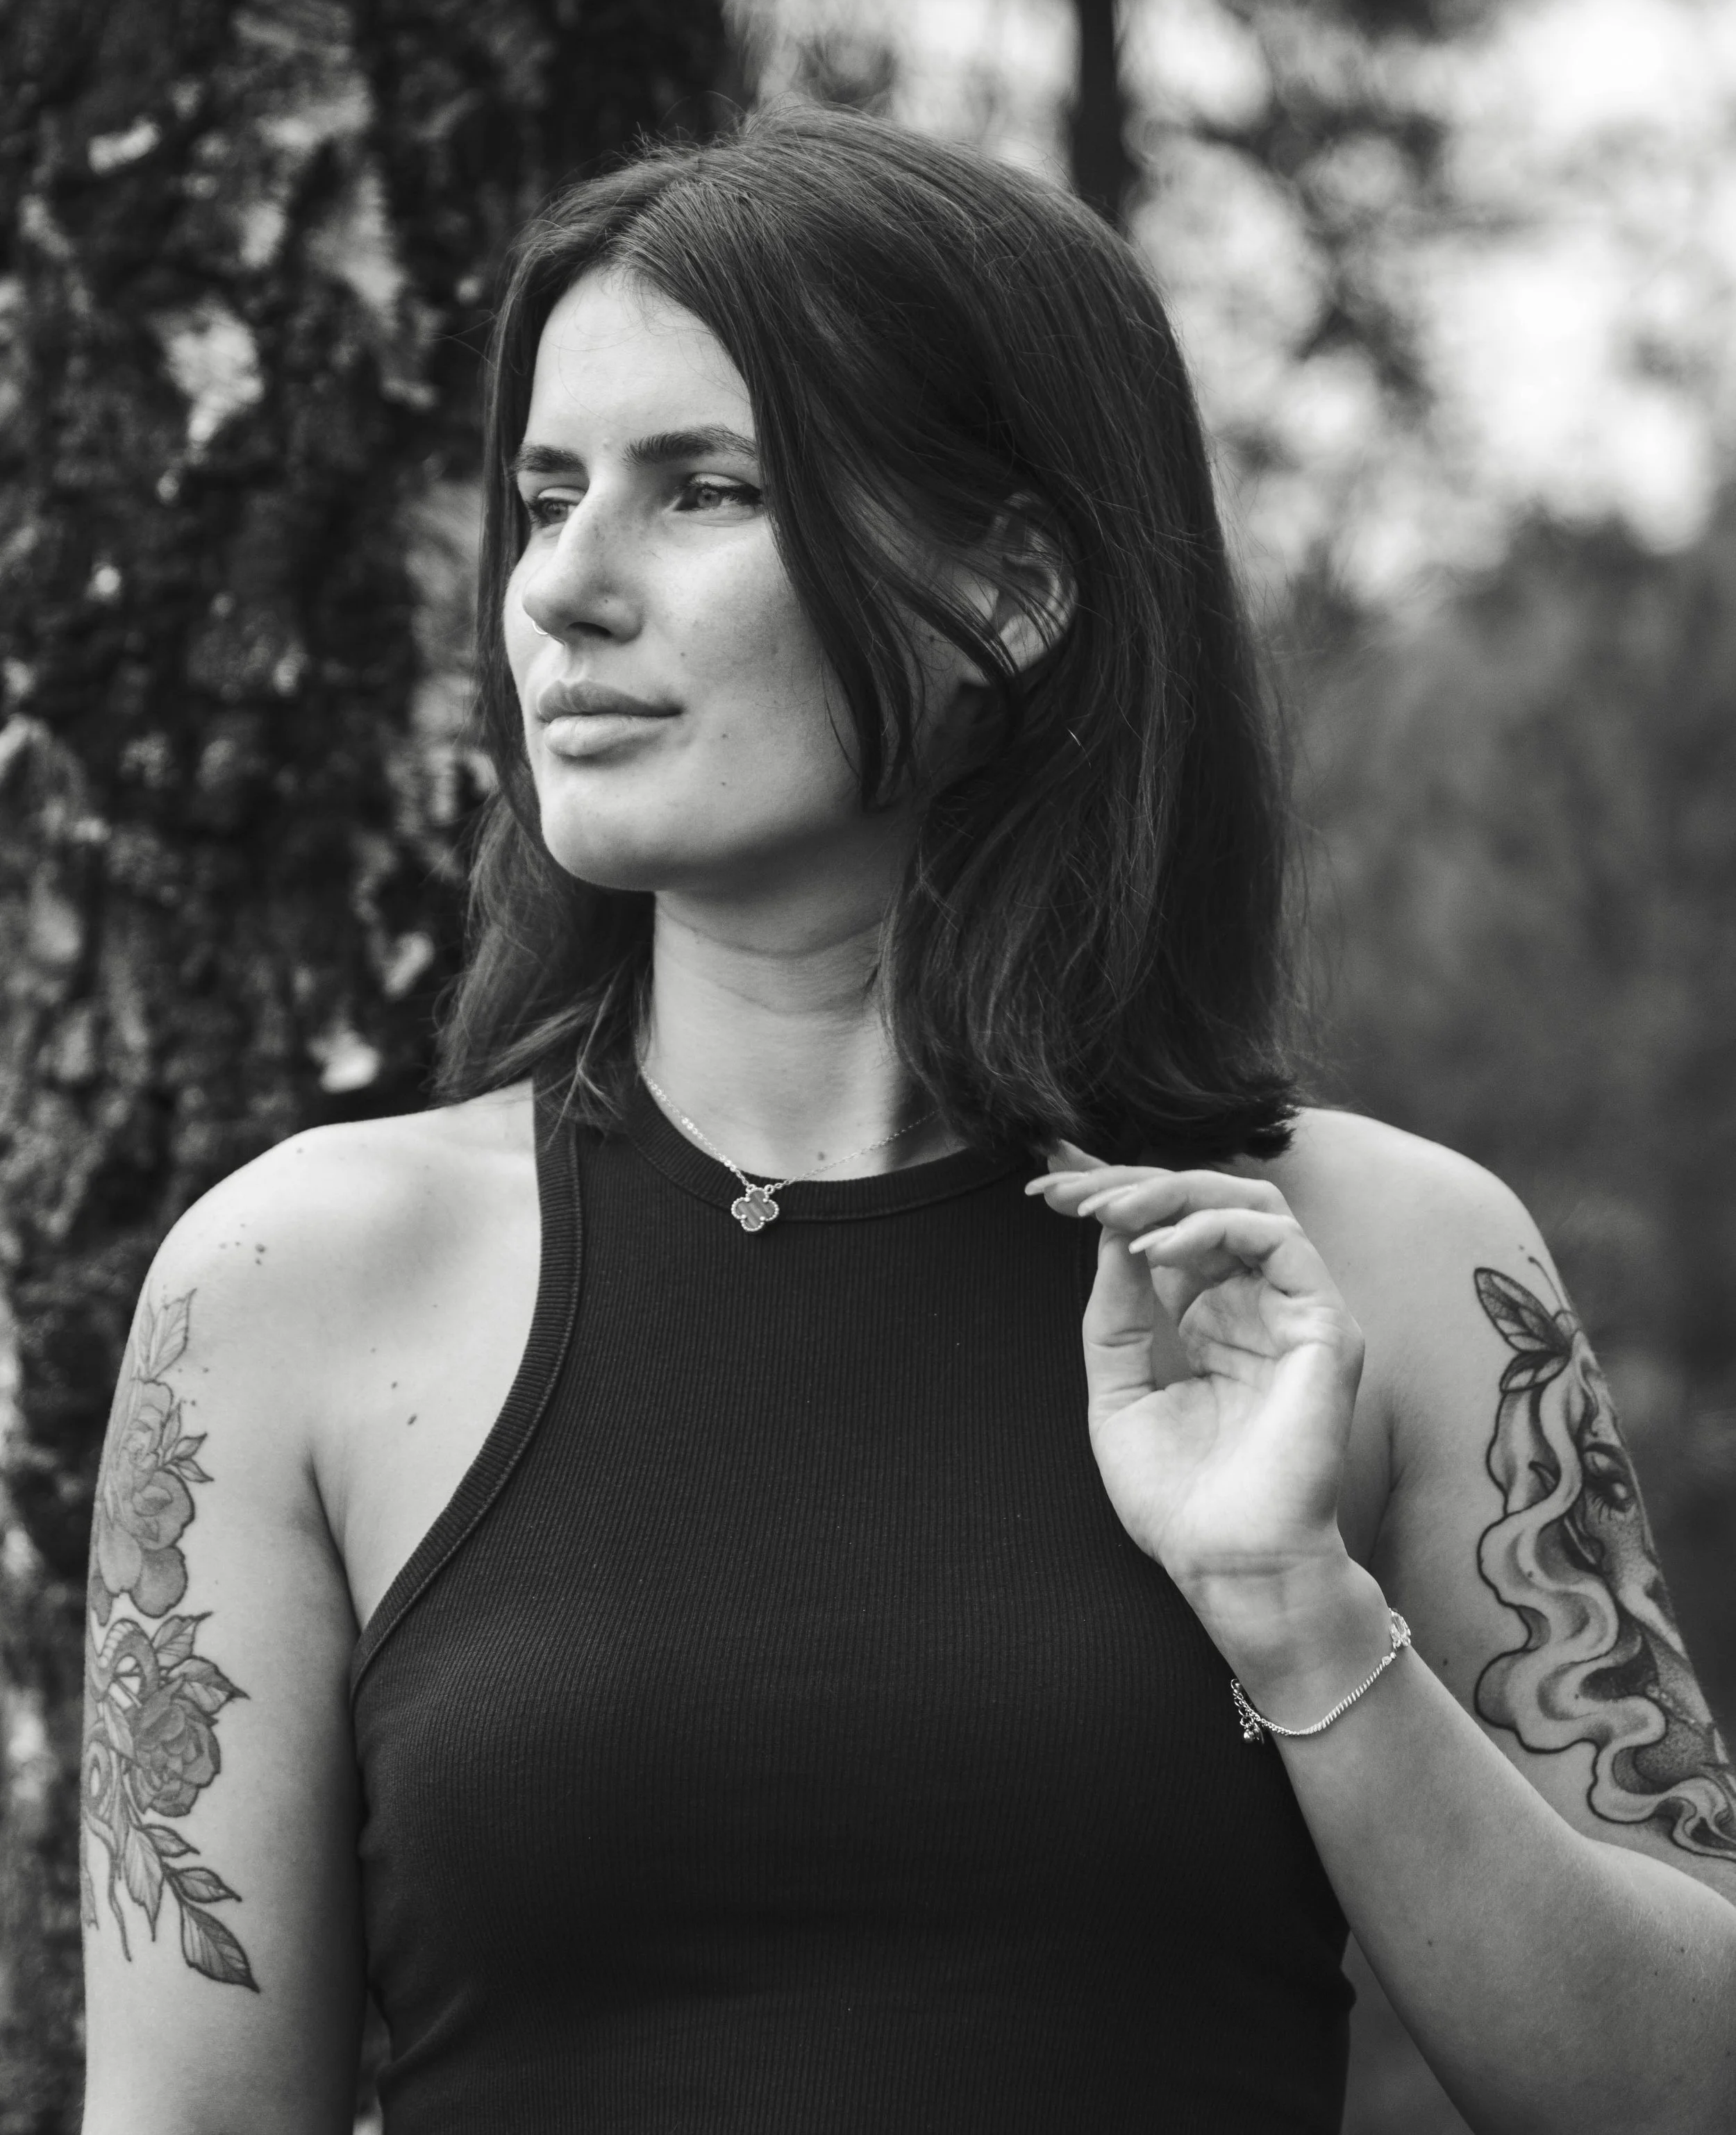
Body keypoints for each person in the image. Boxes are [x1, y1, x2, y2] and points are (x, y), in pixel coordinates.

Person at [81, 108, 1736, 2135]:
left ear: (1013, 589)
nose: (563, 594)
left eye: (704, 488)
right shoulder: (292, 1285)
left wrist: (1299, 1611)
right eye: (544, 496)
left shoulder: (1383, 1262)